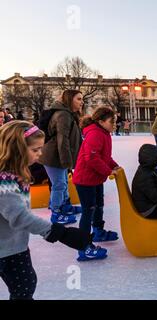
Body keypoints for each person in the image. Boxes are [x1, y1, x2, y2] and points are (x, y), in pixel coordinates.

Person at [0, 121, 90, 300]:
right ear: (17, 149)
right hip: (5, 249)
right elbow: (19, 217)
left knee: (26, 285)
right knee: (24, 288)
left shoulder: (17, 173)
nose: (40, 154)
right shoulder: (4, 180)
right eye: (35, 150)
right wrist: (59, 233)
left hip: (15, 245)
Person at [72, 107, 121, 261]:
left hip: (95, 178)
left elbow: (104, 156)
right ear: (101, 121)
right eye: (111, 121)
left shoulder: (103, 133)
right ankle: (84, 247)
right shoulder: (95, 134)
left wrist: (114, 165)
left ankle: (98, 231)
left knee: (99, 205)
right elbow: (91, 158)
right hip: (85, 179)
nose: (114, 124)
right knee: (88, 211)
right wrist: (108, 171)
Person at [39, 90, 83, 225]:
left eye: (82, 99)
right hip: (53, 156)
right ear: (70, 100)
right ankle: (56, 213)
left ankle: (65, 206)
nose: (82, 102)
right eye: (79, 99)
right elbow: (62, 140)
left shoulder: (68, 114)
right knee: (59, 185)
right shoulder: (63, 115)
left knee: (63, 182)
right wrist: (67, 162)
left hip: (58, 156)